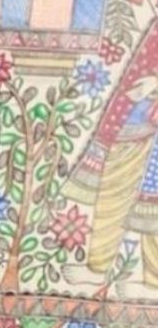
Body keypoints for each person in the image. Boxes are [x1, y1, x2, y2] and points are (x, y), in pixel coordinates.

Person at [63, 20, 158, 299]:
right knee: (115, 196)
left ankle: (151, 282)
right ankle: (99, 267)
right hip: (134, 120)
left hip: (145, 123)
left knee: (146, 204)